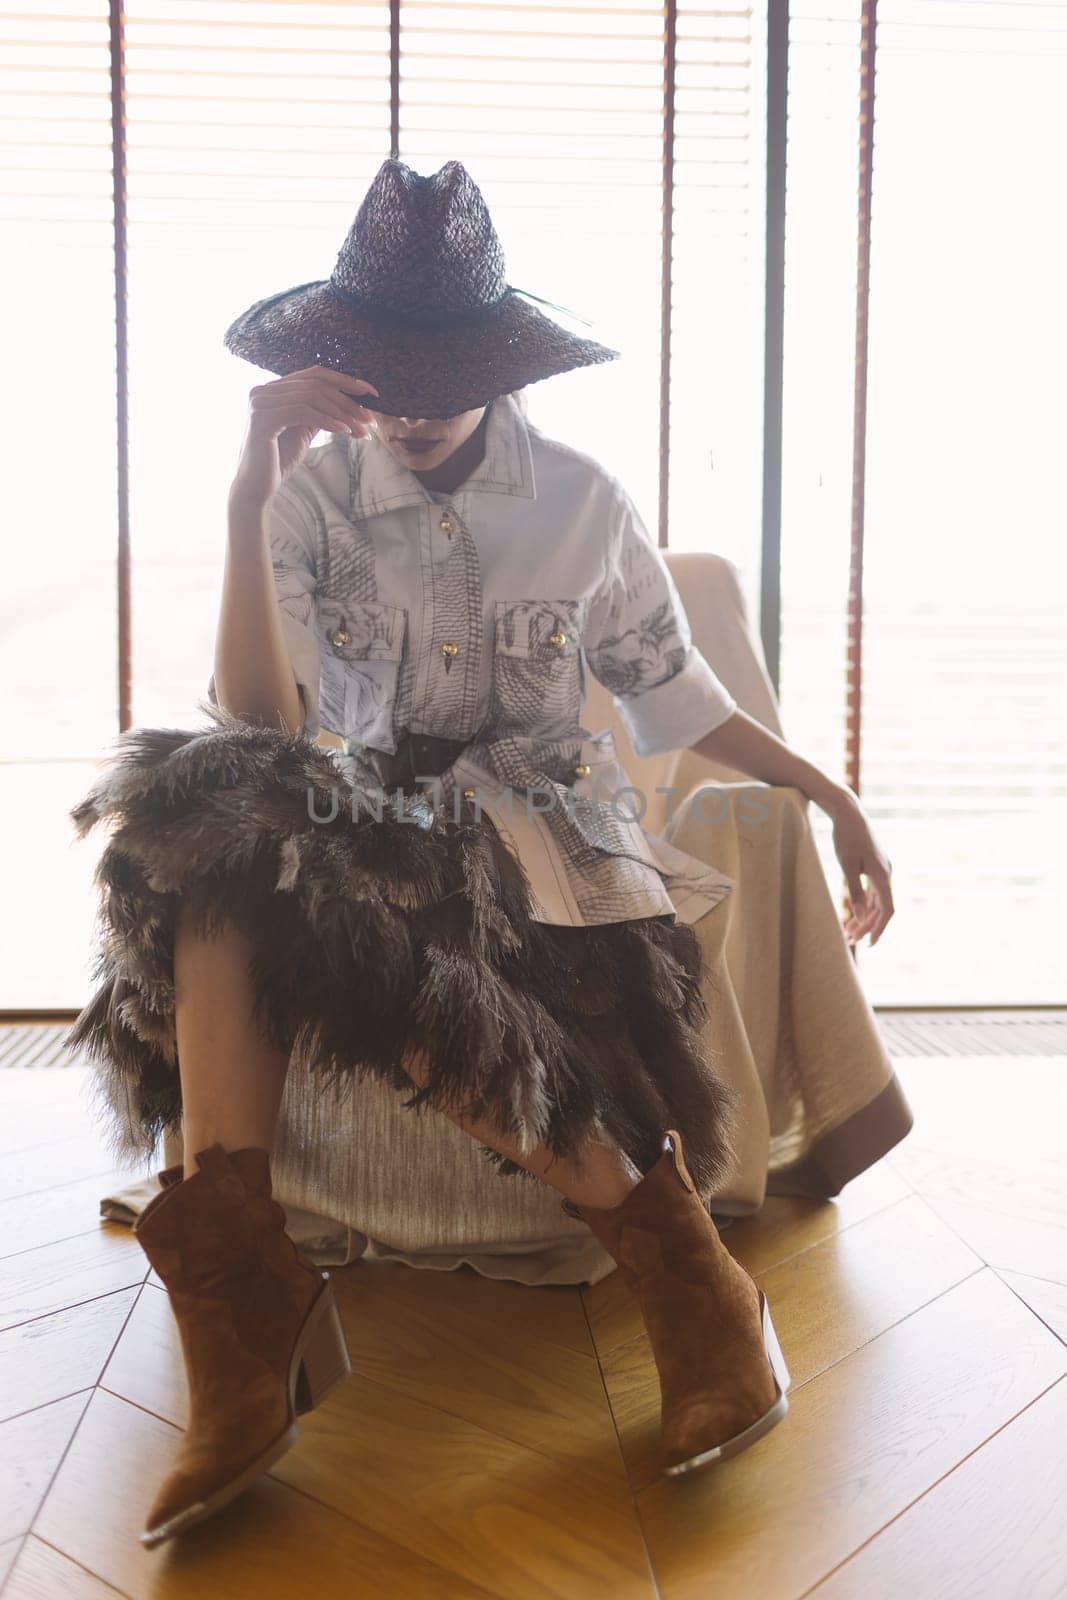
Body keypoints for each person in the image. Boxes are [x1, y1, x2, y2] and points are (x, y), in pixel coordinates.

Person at [64, 158, 896, 1548]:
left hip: (545, 841)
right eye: (370, 366)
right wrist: (244, 493)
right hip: (355, 829)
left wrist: (833, 795)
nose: (397, 398)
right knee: (215, 819)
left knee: (317, 894)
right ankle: (237, 1315)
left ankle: (690, 1281)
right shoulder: (309, 497)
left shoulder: (578, 497)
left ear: (497, 363)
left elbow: (677, 700)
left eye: (429, 367)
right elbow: (261, 729)